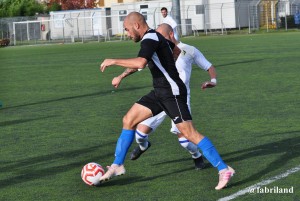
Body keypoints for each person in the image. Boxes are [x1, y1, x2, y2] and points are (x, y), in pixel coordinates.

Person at [99, 12, 235, 190]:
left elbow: (140, 63)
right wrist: (166, 65)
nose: (127, 33)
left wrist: (113, 61)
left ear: (137, 26)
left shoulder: (149, 39)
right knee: (128, 120)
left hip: (172, 93)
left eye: (127, 29)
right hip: (159, 91)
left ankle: (224, 169)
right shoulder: (156, 36)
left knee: (189, 134)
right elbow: (176, 50)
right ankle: (117, 165)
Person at [111, 23, 218, 170]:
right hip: (161, 96)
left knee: (186, 141)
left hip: (178, 97)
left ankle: (197, 156)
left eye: (161, 36)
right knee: (140, 134)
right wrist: (121, 76)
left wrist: (213, 81)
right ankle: (143, 146)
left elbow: (208, 66)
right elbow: (140, 64)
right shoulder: (158, 49)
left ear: (171, 35)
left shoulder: (189, 50)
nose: (158, 39)